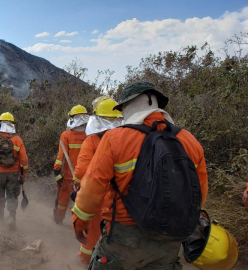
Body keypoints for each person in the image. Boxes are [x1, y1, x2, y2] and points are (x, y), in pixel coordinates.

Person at [72, 82, 208, 269]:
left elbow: (91, 189)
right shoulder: (189, 141)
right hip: (170, 240)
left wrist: (79, 223)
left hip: (124, 239)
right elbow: (198, 194)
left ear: (126, 107)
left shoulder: (115, 139)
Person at [72, 97, 123, 267]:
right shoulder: (129, 141)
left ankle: (84, 264)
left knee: (90, 240)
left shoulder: (92, 141)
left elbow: (80, 173)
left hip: (98, 201)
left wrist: (78, 188)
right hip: (124, 205)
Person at [0, 112, 29, 230]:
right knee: (12, 196)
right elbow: (24, 159)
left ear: (0, 123)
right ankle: (12, 219)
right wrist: (24, 174)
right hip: (14, 174)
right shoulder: (17, 140)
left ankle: (0, 220)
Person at [53, 105, 89, 224]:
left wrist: (57, 173)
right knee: (83, 203)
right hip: (86, 178)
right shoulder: (90, 134)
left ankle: (58, 220)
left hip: (69, 177)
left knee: (63, 201)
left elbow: (60, 157)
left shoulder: (66, 135)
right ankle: (81, 224)